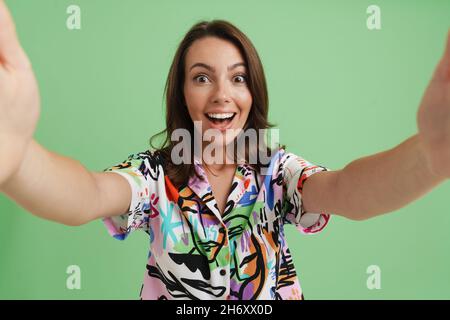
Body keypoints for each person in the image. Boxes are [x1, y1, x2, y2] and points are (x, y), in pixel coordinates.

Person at [0, 0, 449, 300]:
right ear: (182, 94)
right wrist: (17, 157)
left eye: (237, 78)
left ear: (253, 93)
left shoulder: (276, 172)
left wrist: (431, 155)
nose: (222, 95)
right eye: (201, 77)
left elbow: (350, 190)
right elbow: (87, 195)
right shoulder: (157, 176)